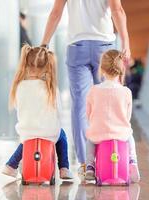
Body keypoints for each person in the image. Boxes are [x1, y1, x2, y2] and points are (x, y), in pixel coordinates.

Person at [41, 0, 131, 178]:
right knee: (111, 99)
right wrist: (125, 42)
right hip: (104, 47)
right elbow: (117, 10)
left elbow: (55, 13)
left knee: (80, 106)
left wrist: (44, 43)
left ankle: (85, 164)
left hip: (77, 47)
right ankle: (113, 156)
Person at [2, 44, 73, 179]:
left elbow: (19, 107)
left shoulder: (19, 86)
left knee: (26, 139)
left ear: (26, 64)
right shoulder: (50, 87)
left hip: (27, 132)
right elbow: (59, 111)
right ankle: (64, 168)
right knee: (62, 135)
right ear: (47, 65)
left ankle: (11, 165)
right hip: (49, 133)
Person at [85, 50, 140, 182]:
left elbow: (89, 114)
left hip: (99, 133)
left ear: (102, 69)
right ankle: (132, 162)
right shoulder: (126, 92)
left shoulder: (93, 90)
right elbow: (127, 116)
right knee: (130, 136)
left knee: (90, 140)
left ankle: (90, 166)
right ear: (121, 70)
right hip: (120, 134)